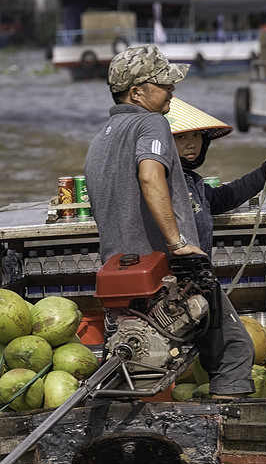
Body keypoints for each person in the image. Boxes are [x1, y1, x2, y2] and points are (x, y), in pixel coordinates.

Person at [83, 45, 253, 399]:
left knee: (133, 361)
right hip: (165, 271)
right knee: (233, 352)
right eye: (164, 84)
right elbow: (149, 175)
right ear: (137, 93)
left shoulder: (100, 140)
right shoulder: (151, 122)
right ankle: (230, 427)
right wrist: (178, 243)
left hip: (117, 274)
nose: (172, 91)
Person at [166, 96, 266, 257]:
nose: (192, 144)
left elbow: (225, 197)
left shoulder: (191, 181)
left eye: (197, 135)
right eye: (181, 137)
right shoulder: (162, 181)